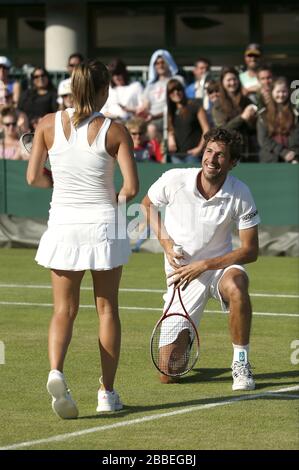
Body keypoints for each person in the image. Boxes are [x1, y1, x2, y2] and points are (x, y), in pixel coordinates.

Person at [26, 60, 139, 419]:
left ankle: (56, 370)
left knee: (64, 310)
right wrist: (115, 201)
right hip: (104, 223)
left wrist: (58, 182)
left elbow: (33, 179)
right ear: (104, 91)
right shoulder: (115, 130)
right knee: (107, 309)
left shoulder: (45, 124)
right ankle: (107, 393)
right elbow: (131, 188)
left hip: (63, 222)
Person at [142, 127, 260, 390]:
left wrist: (205, 264)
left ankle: (241, 363)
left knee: (237, 283)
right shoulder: (175, 179)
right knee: (169, 371)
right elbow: (146, 205)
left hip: (219, 270)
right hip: (183, 278)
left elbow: (251, 250)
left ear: (232, 162)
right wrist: (166, 242)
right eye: (209, 151)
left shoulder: (240, 192)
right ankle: (186, 334)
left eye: (220, 155)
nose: (211, 159)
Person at [212, 66, 258, 162]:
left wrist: (252, 120)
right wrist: (242, 117)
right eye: (229, 80)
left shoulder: (246, 100)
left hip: (248, 150)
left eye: (234, 79)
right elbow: (222, 129)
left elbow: (253, 128)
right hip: (229, 151)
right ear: (222, 82)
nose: (232, 83)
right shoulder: (218, 104)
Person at [166, 78, 210, 163]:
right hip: (176, 155)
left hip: (193, 155)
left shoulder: (195, 106)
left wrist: (199, 148)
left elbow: (206, 129)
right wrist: (170, 137)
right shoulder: (171, 110)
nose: (176, 93)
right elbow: (170, 129)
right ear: (168, 95)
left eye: (178, 89)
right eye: (172, 91)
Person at [257, 77, 299, 163]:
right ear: (272, 92)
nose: (281, 95)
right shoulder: (264, 114)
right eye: (278, 92)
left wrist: (295, 155)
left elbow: (296, 136)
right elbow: (263, 140)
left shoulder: (295, 113)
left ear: (288, 93)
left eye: (284, 91)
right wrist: (283, 152)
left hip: (292, 159)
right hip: (269, 160)